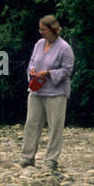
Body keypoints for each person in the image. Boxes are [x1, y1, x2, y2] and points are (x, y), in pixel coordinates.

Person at [20, 15, 74, 171]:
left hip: (56, 93)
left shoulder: (64, 48)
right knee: (31, 124)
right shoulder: (38, 44)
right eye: (40, 29)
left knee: (55, 127)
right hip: (37, 91)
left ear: (53, 29)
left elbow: (67, 71)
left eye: (43, 29)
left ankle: (51, 160)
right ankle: (27, 157)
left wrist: (49, 73)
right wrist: (32, 71)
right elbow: (32, 62)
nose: (40, 32)